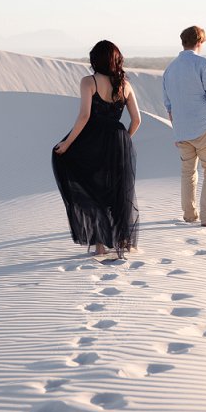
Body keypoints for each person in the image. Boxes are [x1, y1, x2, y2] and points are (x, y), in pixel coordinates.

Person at [52, 40, 141, 259]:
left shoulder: (88, 81)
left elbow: (84, 116)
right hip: (118, 140)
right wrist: (123, 141)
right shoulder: (125, 85)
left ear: (95, 60)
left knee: (94, 189)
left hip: (92, 139)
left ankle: (100, 245)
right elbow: (137, 120)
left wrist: (67, 143)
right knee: (118, 192)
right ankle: (122, 241)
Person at [162, 25, 206, 227]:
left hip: (182, 132)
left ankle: (189, 215)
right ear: (199, 42)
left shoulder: (169, 69)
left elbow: (169, 106)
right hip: (204, 128)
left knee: (188, 172)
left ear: (183, 41)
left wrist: (178, 131)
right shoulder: (202, 63)